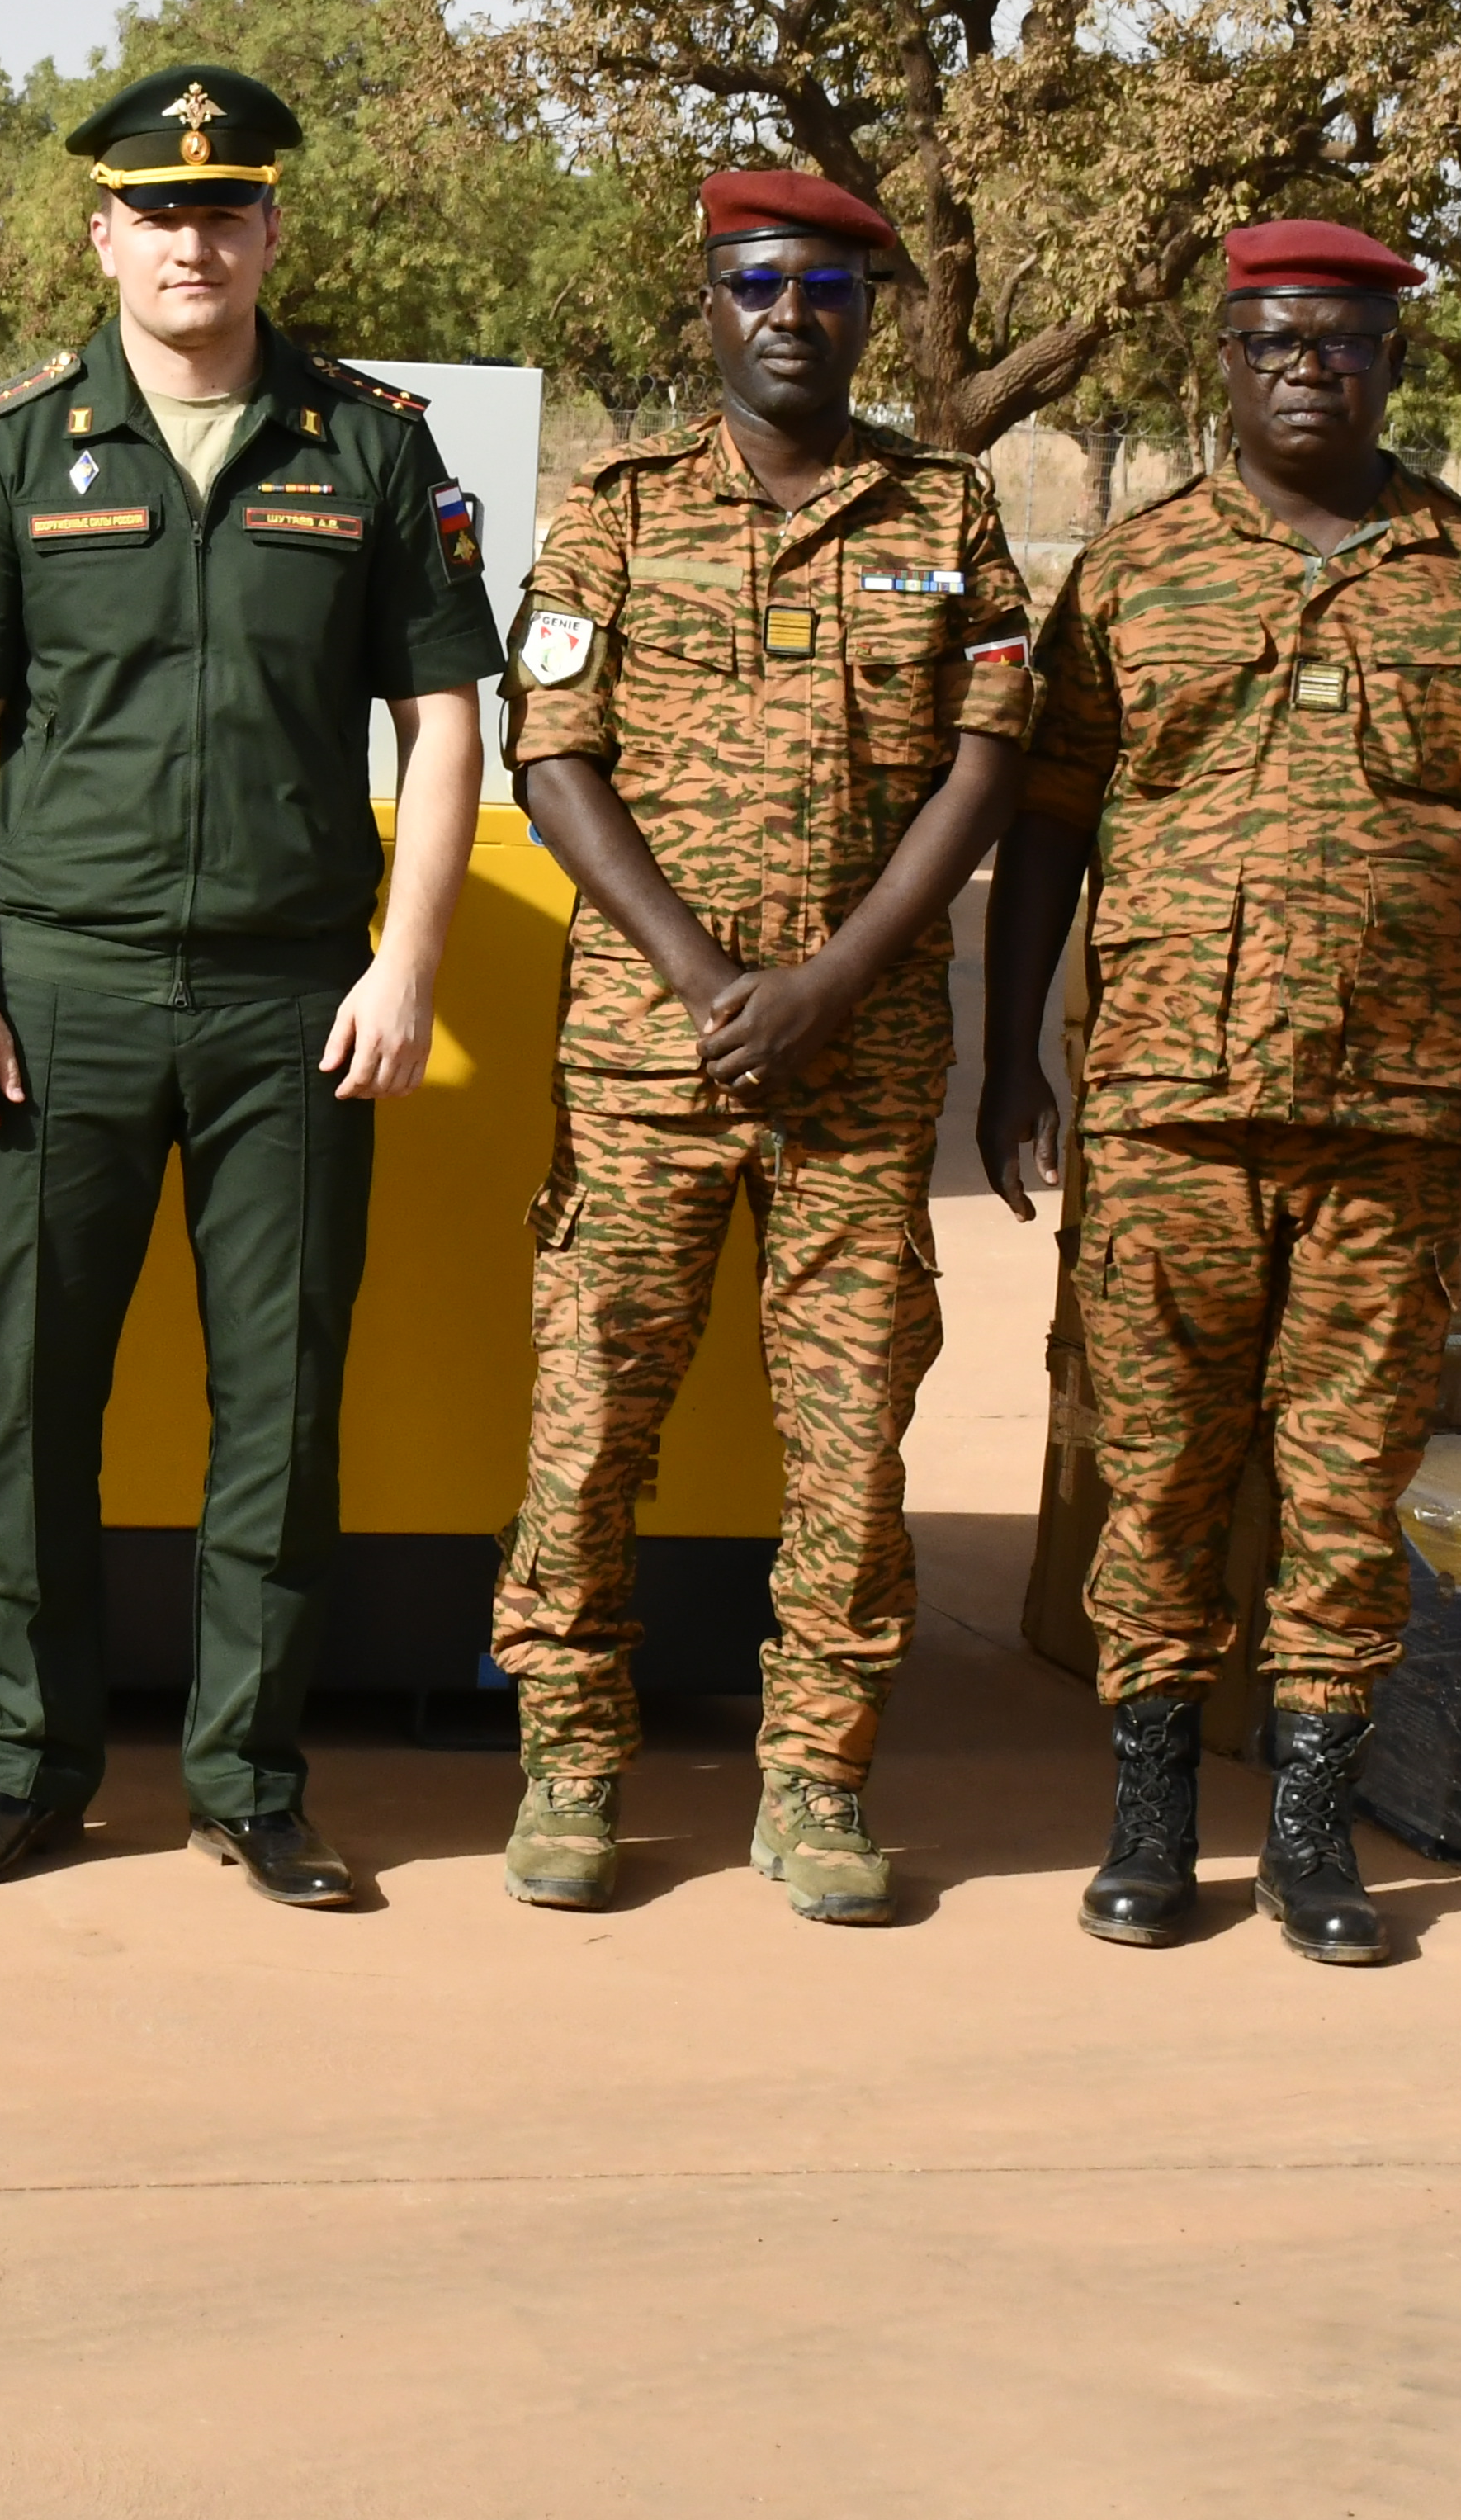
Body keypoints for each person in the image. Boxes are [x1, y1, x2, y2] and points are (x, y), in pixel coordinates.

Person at [0, 66, 502, 1908]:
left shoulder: (370, 447)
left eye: (224, 210)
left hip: (291, 1001)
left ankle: (250, 1778)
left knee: (282, 1407)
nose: (191, 243)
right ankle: (28, 1767)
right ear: (104, 234)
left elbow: (445, 723)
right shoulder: (11, 453)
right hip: (59, 990)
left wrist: (407, 963)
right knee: (30, 1405)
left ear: (270, 231)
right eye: (157, 213)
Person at [977, 217, 1461, 1966]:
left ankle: (1313, 1831)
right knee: (1159, 1473)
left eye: (1340, 340)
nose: (1306, 367)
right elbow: (1047, 828)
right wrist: (1014, 1054)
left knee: (1345, 1480)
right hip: (1166, 1104)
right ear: (1227, 364)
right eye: (1272, 340)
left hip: (1394, 1116)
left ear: (1391, 362)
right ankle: (1153, 1818)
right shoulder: (1132, 570)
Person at [491, 170, 1034, 1927]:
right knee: (592, 1425)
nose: (791, 314)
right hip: (646, 1058)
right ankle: (573, 1763)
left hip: (860, 1072)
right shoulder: (618, 512)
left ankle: (816, 1780)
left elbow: (989, 759)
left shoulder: (946, 509)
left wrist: (834, 981)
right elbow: (551, 748)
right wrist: (710, 976)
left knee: (853, 1445)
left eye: (826, 288)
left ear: (870, 310)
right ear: (710, 305)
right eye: (757, 283)